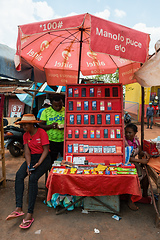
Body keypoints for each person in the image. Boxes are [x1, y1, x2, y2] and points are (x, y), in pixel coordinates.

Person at [6, 114, 51, 229]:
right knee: (19, 175)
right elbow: (27, 151)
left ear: (32, 124)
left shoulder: (42, 132)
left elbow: (46, 150)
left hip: (44, 159)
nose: (23, 126)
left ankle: (30, 213)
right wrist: (28, 165)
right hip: (32, 157)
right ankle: (19, 208)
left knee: (33, 178)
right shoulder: (25, 135)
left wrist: (39, 163)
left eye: (25, 124)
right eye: (22, 124)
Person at [125, 123, 150, 210]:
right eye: (126, 132)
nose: (127, 134)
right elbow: (127, 157)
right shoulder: (124, 142)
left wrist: (144, 153)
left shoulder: (136, 141)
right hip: (127, 163)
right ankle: (130, 200)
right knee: (134, 178)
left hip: (134, 162)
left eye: (130, 133)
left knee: (146, 176)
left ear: (135, 133)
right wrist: (140, 161)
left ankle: (145, 195)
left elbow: (139, 152)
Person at [39, 94, 65, 164]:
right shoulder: (46, 112)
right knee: (51, 161)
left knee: (65, 160)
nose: (58, 108)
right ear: (51, 104)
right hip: (51, 141)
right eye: (56, 106)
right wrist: (51, 126)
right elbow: (40, 126)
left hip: (64, 141)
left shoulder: (66, 110)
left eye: (60, 105)